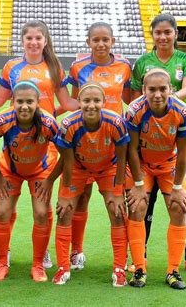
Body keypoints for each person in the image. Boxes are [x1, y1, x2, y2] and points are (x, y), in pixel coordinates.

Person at [0, 20, 79, 268]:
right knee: (7, 202)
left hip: (46, 142)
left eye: (38, 38)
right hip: (15, 139)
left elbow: (66, 103)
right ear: (22, 41)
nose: (34, 42)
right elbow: (0, 99)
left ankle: (42, 252)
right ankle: (6, 251)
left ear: (45, 41)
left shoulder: (54, 66)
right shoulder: (12, 66)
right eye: (29, 38)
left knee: (42, 206)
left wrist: (98, 108)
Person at [130, 13, 186, 276]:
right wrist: (152, 102)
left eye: (167, 32)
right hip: (146, 148)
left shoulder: (185, 60)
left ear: (175, 34)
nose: (163, 37)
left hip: (176, 144)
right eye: (158, 33)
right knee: (141, 203)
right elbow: (133, 94)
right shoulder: (142, 62)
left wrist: (165, 100)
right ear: (152, 35)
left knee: (182, 199)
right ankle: (140, 259)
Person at [61, 22, 131, 270]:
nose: (101, 44)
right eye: (96, 40)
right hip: (84, 140)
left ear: (113, 41)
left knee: (116, 201)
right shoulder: (78, 66)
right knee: (80, 198)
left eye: (105, 39)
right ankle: (76, 252)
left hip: (114, 143)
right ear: (88, 42)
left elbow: (130, 100)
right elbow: (73, 98)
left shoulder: (124, 66)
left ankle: (124, 261)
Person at [52, 84, 130, 286]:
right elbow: (67, 161)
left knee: (117, 210)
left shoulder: (116, 122)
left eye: (96, 101)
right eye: (86, 101)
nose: (91, 105)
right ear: (79, 102)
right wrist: (65, 193)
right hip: (78, 167)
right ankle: (63, 267)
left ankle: (119, 268)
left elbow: (122, 158)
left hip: (108, 168)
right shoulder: (69, 124)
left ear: (104, 103)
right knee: (65, 210)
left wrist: (119, 190)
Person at [125, 68, 186, 290]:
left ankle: (173, 270)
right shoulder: (135, 111)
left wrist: (177, 187)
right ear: (143, 90)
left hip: (169, 165)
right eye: (151, 89)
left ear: (171, 90)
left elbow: (183, 153)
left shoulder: (182, 111)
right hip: (142, 165)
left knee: (179, 207)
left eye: (162, 89)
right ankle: (139, 268)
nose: (157, 94)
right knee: (137, 207)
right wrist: (136, 184)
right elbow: (132, 150)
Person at [0, 81, 60, 282]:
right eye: (20, 101)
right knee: (2, 212)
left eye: (30, 101)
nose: (25, 106)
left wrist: (50, 180)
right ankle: (1, 262)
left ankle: (38, 265)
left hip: (40, 171)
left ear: (38, 103)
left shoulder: (48, 123)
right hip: (10, 171)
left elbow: (67, 153)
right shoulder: (2, 120)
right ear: (12, 102)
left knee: (41, 213)